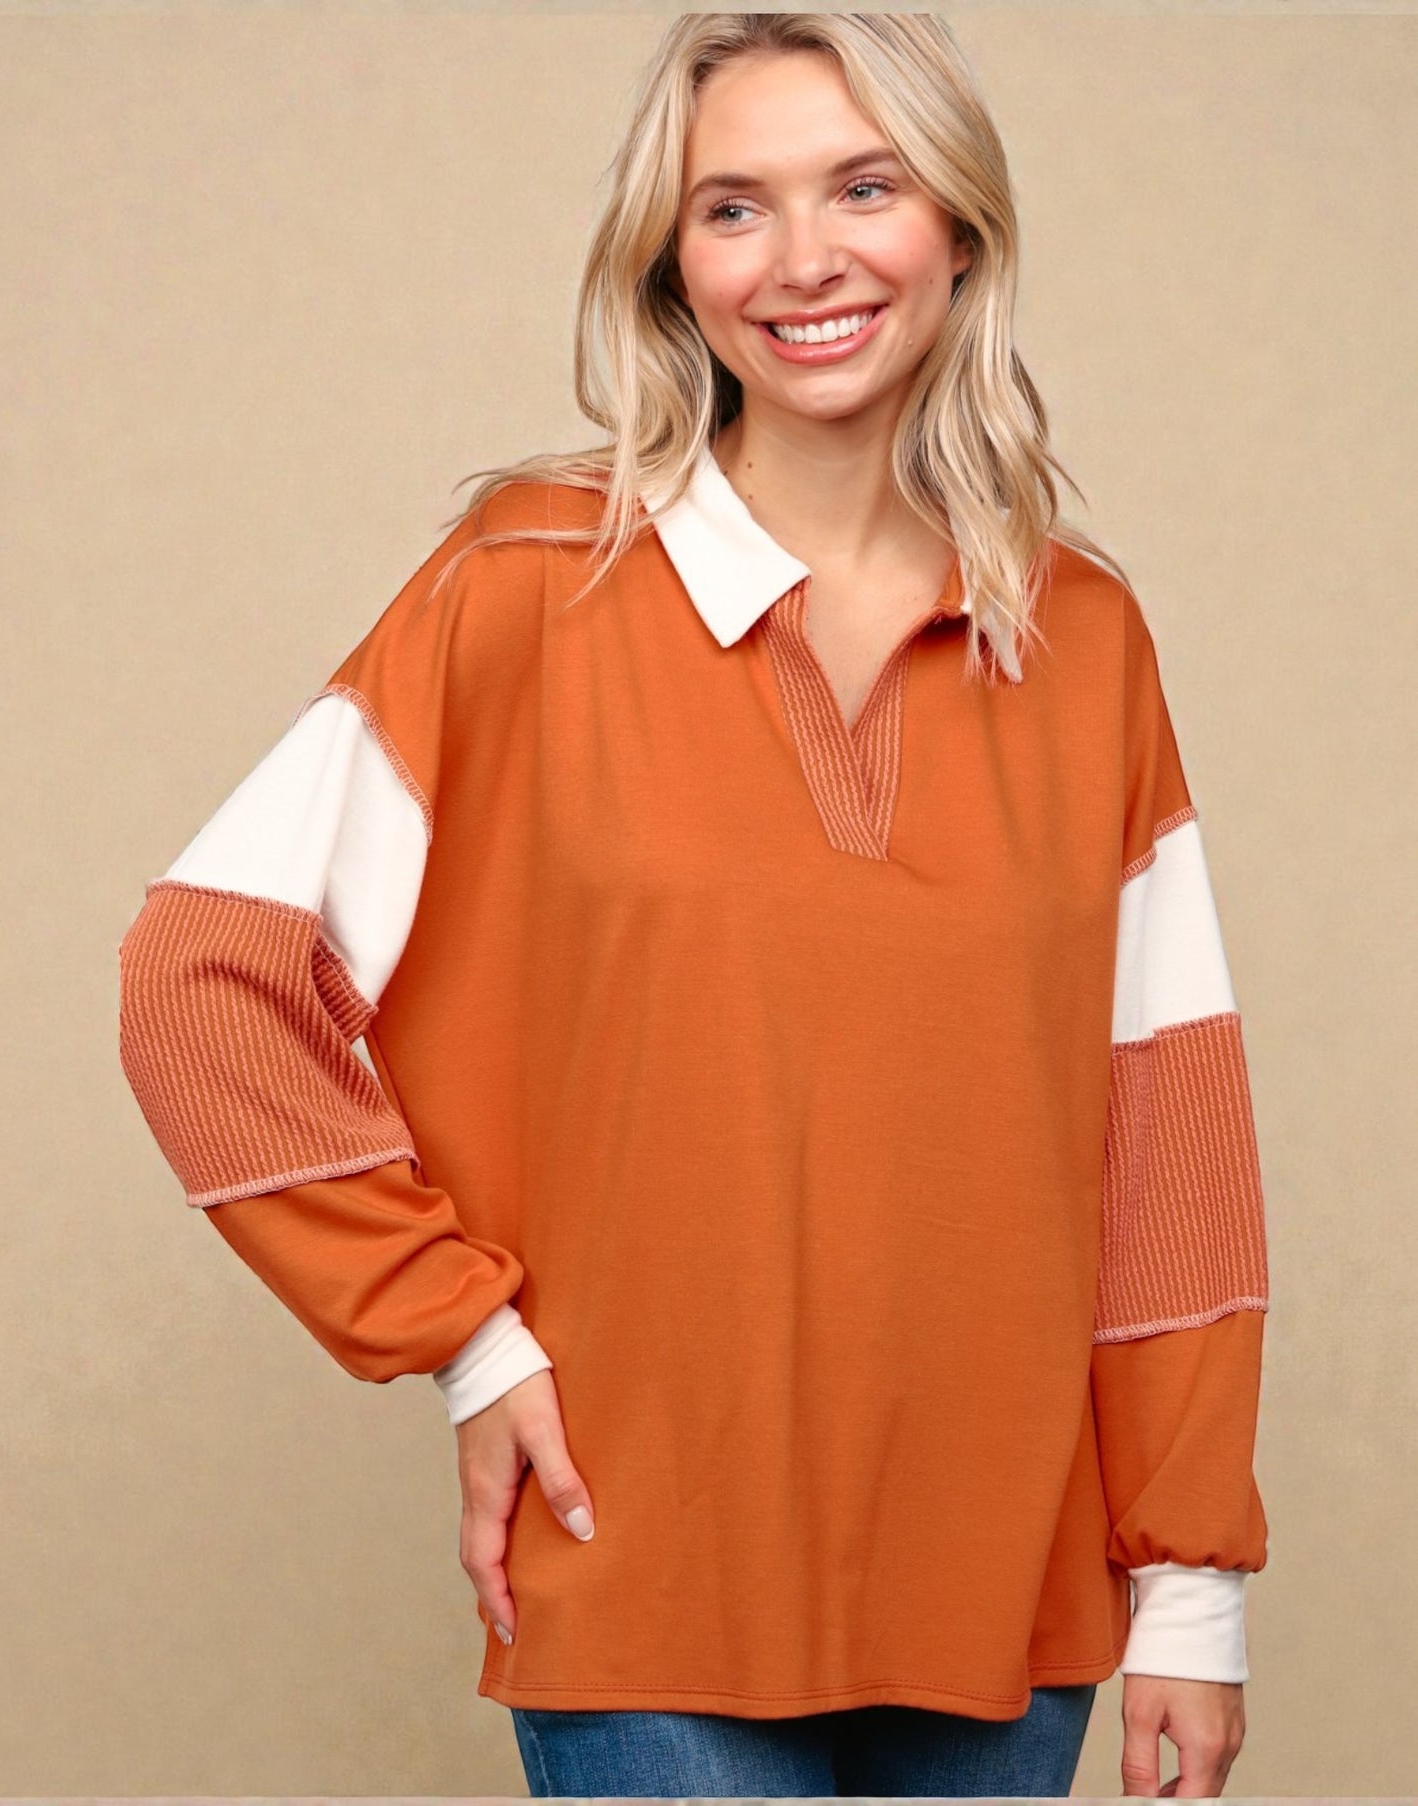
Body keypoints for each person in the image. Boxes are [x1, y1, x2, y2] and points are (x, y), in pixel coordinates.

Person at [117, 11, 1271, 1799]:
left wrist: (1188, 1584)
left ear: (956, 227)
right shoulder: (520, 593)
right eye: (732, 206)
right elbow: (202, 976)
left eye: (861, 188)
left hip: (1005, 1593)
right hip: (642, 1556)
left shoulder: (1083, 640)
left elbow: (1168, 1133)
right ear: (673, 264)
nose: (803, 259)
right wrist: (466, 1336)